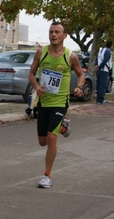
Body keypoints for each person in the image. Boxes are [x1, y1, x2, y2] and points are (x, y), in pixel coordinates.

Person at [28, 22, 84, 189]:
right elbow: (31, 73)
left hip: (61, 102)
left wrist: (79, 87)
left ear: (64, 35)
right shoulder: (41, 53)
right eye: (51, 31)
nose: (53, 34)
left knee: (52, 138)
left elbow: (81, 75)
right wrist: (37, 87)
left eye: (57, 32)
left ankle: (47, 175)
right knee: (42, 142)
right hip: (44, 102)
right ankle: (63, 127)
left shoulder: (70, 56)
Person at [95, 40, 113, 105]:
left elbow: (97, 59)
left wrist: (96, 65)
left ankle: (98, 99)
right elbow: (105, 60)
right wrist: (100, 67)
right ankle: (100, 100)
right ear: (111, 46)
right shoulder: (108, 51)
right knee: (103, 86)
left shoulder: (101, 50)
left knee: (99, 85)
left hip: (99, 70)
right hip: (104, 70)